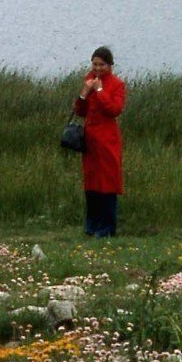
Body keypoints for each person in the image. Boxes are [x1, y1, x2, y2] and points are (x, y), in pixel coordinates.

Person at [74, 46, 126, 237]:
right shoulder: (88, 80)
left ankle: (107, 228)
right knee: (91, 183)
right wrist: (84, 93)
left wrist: (100, 91)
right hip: (90, 139)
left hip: (108, 139)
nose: (97, 68)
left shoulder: (117, 84)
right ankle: (92, 226)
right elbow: (80, 111)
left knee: (108, 183)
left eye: (101, 65)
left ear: (109, 65)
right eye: (94, 64)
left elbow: (114, 109)